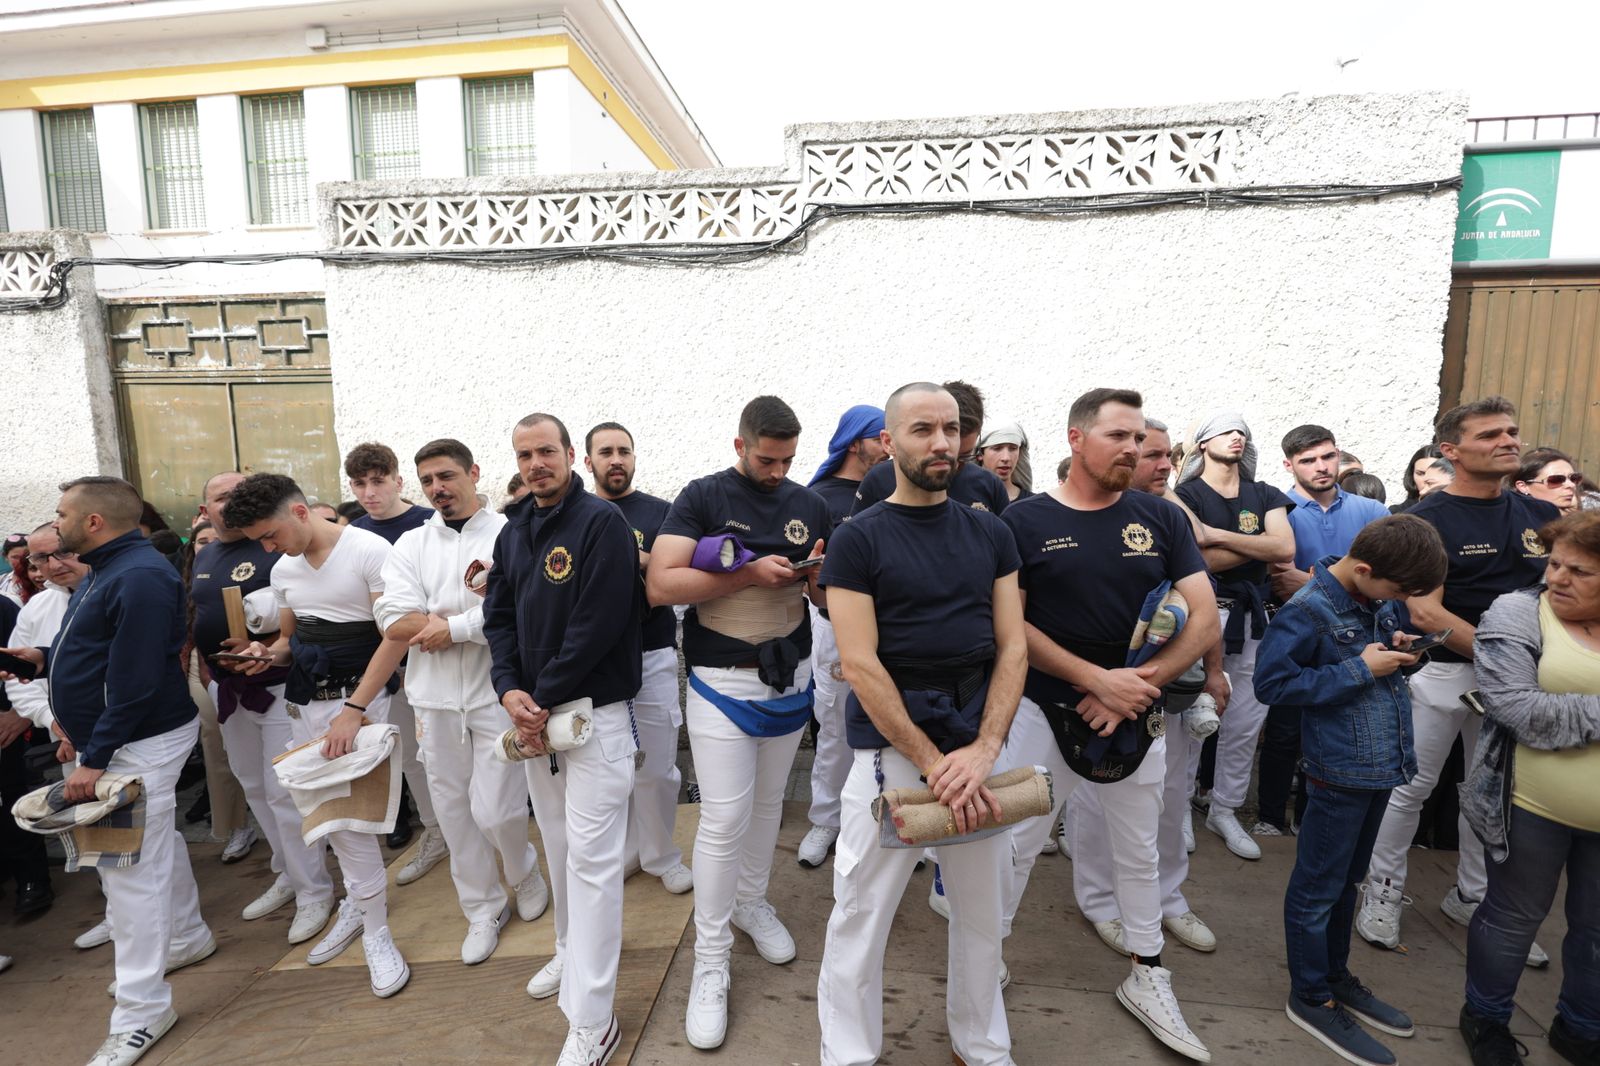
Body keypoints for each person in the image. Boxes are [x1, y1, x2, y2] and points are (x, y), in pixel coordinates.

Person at [1002, 389, 1219, 1062]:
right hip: (1044, 713)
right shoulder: (1022, 520)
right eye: (1119, 436)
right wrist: (1093, 680)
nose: (1133, 449)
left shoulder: (1161, 518)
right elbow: (1010, 626)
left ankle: (1147, 976)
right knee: (1014, 845)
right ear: (1076, 438)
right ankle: (985, 958)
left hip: (1135, 718)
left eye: (1140, 438)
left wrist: (1134, 687)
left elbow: (1205, 618)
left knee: (1139, 850)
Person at [814, 382, 1026, 1066]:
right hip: (894, 755)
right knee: (860, 914)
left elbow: (1013, 646)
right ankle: (847, 1052)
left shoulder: (992, 531)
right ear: (889, 442)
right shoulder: (857, 540)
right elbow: (861, 663)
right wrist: (935, 764)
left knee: (981, 913)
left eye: (952, 429)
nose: (942, 443)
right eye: (923, 430)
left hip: (976, 750)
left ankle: (982, 1044)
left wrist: (985, 748)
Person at [1, 477, 215, 1066]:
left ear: (93, 522)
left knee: (128, 872)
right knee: (150, 854)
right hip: (121, 742)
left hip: (132, 746)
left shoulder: (137, 575)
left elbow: (138, 678)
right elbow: (105, 648)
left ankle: (142, 1013)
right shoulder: (109, 568)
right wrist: (42, 659)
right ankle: (189, 937)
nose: (56, 521)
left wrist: (94, 758)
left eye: (63, 513)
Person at [647, 395, 830, 1051]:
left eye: (787, 459)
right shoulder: (700, 496)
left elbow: (826, 592)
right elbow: (662, 585)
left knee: (767, 809)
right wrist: (748, 572)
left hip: (790, 680)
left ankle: (752, 901)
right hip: (720, 682)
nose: (778, 470)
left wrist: (818, 577)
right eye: (766, 457)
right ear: (740, 445)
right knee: (723, 817)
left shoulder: (810, 503)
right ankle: (711, 957)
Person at [1356, 397, 1559, 967]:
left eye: (1512, 431)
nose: (1508, 441)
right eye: (1491, 433)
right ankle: (1381, 889)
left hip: (1517, 681)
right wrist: (1508, 662)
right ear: (1451, 450)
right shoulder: (1429, 520)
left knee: (1492, 793)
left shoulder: (1538, 515)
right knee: (1409, 788)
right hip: (1443, 674)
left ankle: (1474, 897)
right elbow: (1426, 614)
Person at [1256, 516, 1445, 1066]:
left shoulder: (1371, 597)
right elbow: (1273, 685)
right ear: (1364, 569)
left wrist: (1399, 646)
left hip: (1381, 765)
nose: (1402, 601)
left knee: (1346, 882)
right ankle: (1311, 995)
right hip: (1338, 771)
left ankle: (1335, 977)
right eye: (1398, 592)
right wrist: (1361, 668)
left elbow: (1375, 653)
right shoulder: (1307, 610)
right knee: (1318, 887)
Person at [483, 413, 642, 1065]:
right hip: (532, 718)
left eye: (546, 451)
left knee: (594, 867)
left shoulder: (600, 523)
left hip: (591, 717)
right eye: (524, 454)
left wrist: (538, 697)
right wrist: (506, 688)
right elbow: (497, 617)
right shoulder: (514, 529)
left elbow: (597, 623)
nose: (535, 464)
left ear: (570, 454)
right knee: (557, 849)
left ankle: (594, 1019)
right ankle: (571, 955)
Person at [224, 473, 412, 998]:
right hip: (305, 700)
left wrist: (354, 709)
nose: (267, 548)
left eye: (270, 535)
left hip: (361, 699)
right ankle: (359, 905)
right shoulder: (284, 568)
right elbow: (290, 638)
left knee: (352, 818)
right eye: (258, 541)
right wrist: (263, 654)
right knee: (327, 816)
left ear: (301, 511)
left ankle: (377, 931)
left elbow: (394, 636)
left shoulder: (370, 551)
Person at [374, 438, 549, 966]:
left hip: (497, 691)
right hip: (430, 698)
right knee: (451, 809)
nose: (438, 489)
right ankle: (482, 908)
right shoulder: (410, 545)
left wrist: (451, 626)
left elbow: (521, 609)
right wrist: (463, 624)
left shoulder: (509, 535)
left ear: (474, 473)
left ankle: (523, 869)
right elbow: (391, 620)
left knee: (495, 808)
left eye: (446, 477)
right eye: (427, 481)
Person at [1064, 414, 1223, 951]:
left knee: (1170, 798)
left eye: (1162, 455)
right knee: (1094, 799)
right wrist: (1104, 685)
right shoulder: (1066, 518)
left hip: (1163, 687)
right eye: (1146, 452)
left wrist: (1208, 674)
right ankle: (1099, 901)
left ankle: (1168, 900)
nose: (1158, 464)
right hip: (1085, 699)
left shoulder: (1168, 517)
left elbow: (1201, 607)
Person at [1458, 510, 1600, 1066]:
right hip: (1530, 805)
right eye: (1555, 563)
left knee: (1596, 930)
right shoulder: (1519, 612)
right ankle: (1486, 1019)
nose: (1557, 578)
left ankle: (1581, 1027)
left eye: (1580, 571)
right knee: (1513, 918)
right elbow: (1518, 709)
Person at [190, 472, 336, 945]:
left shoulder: (277, 548)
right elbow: (197, 615)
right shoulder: (207, 554)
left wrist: (269, 648)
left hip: (277, 687)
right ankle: (287, 873)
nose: (228, 504)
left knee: (283, 792)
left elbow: (301, 617)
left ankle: (315, 890)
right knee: (253, 785)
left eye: (236, 495)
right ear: (204, 508)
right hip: (228, 688)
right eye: (218, 498)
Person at [1258, 426, 1390, 837]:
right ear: (1289, 465)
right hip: (1294, 630)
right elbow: (1277, 576)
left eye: (1327, 456)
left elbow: (1385, 570)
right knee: (1284, 730)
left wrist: (1311, 581)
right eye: (1308, 460)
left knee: (1342, 727)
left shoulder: (1371, 512)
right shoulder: (1277, 512)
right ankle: (1269, 815)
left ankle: (1311, 817)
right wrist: (1345, 583)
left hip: (1357, 634)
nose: (1321, 467)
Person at [1175, 414, 1295, 860]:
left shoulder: (1264, 493)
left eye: (1242, 430)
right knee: (1194, 716)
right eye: (1226, 429)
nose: (1237, 435)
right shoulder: (1186, 494)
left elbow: (1284, 548)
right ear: (1203, 443)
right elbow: (1193, 561)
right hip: (1204, 616)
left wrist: (1212, 536)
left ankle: (1224, 809)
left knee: (1245, 722)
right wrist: (1251, 544)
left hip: (1255, 621)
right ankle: (1181, 808)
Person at [582, 422, 694, 895]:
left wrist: (636, 555)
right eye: (605, 452)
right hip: (590, 662)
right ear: (586, 461)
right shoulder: (574, 513)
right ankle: (628, 851)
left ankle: (660, 854)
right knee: (607, 768)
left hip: (651, 654)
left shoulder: (662, 514)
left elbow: (675, 577)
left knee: (657, 766)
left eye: (624, 451)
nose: (616, 460)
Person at [7, 525, 113, 949]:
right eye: (39, 560)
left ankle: (172, 922)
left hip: (126, 732)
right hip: (71, 737)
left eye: (61, 553)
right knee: (96, 826)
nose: (52, 566)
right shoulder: (36, 612)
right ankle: (117, 911)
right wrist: (55, 722)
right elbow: (19, 677)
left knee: (146, 832)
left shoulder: (113, 589)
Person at [344, 442, 443, 868]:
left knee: (452, 757)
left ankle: (480, 832)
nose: (369, 492)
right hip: (386, 667)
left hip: (437, 654)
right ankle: (437, 833)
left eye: (378, 481)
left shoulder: (429, 523)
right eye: (359, 484)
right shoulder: (354, 535)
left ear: (398, 481)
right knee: (411, 760)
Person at [799, 404, 886, 868]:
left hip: (892, 630)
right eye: (880, 437)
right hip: (833, 626)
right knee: (832, 723)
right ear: (856, 442)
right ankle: (825, 819)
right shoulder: (820, 497)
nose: (888, 446)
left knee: (889, 725)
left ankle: (885, 821)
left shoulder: (896, 488)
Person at [851, 380, 1009, 516]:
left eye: (966, 457)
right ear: (889, 441)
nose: (951, 460)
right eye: (924, 430)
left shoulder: (990, 486)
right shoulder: (878, 480)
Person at [1511, 447, 1583, 515]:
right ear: (1523, 487)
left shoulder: (1581, 521)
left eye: (1574, 478)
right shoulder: (1510, 519)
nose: (1571, 485)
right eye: (1556, 479)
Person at [977, 421, 1033, 502]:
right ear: (980, 454)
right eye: (997, 448)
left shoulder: (1032, 504)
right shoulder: (963, 501)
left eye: (1013, 448)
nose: (1006, 458)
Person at [1390, 444, 1445, 514]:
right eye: (1421, 473)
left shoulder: (1459, 509)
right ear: (1412, 474)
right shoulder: (1397, 513)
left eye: (1434, 473)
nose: (1427, 479)